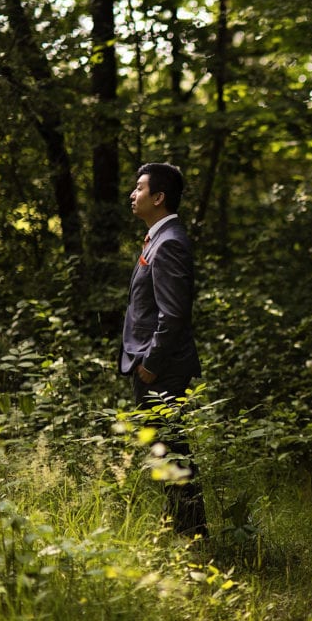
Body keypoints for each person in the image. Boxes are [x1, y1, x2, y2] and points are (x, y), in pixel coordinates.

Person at [119, 162, 207, 537]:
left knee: (171, 451)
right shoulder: (159, 238)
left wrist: (150, 364)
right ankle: (185, 532)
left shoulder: (169, 242)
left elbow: (174, 314)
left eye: (139, 188)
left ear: (159, 197)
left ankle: (192, 537)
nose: (132, 194)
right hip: (155, 364)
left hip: (161, 368)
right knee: (166, 451)